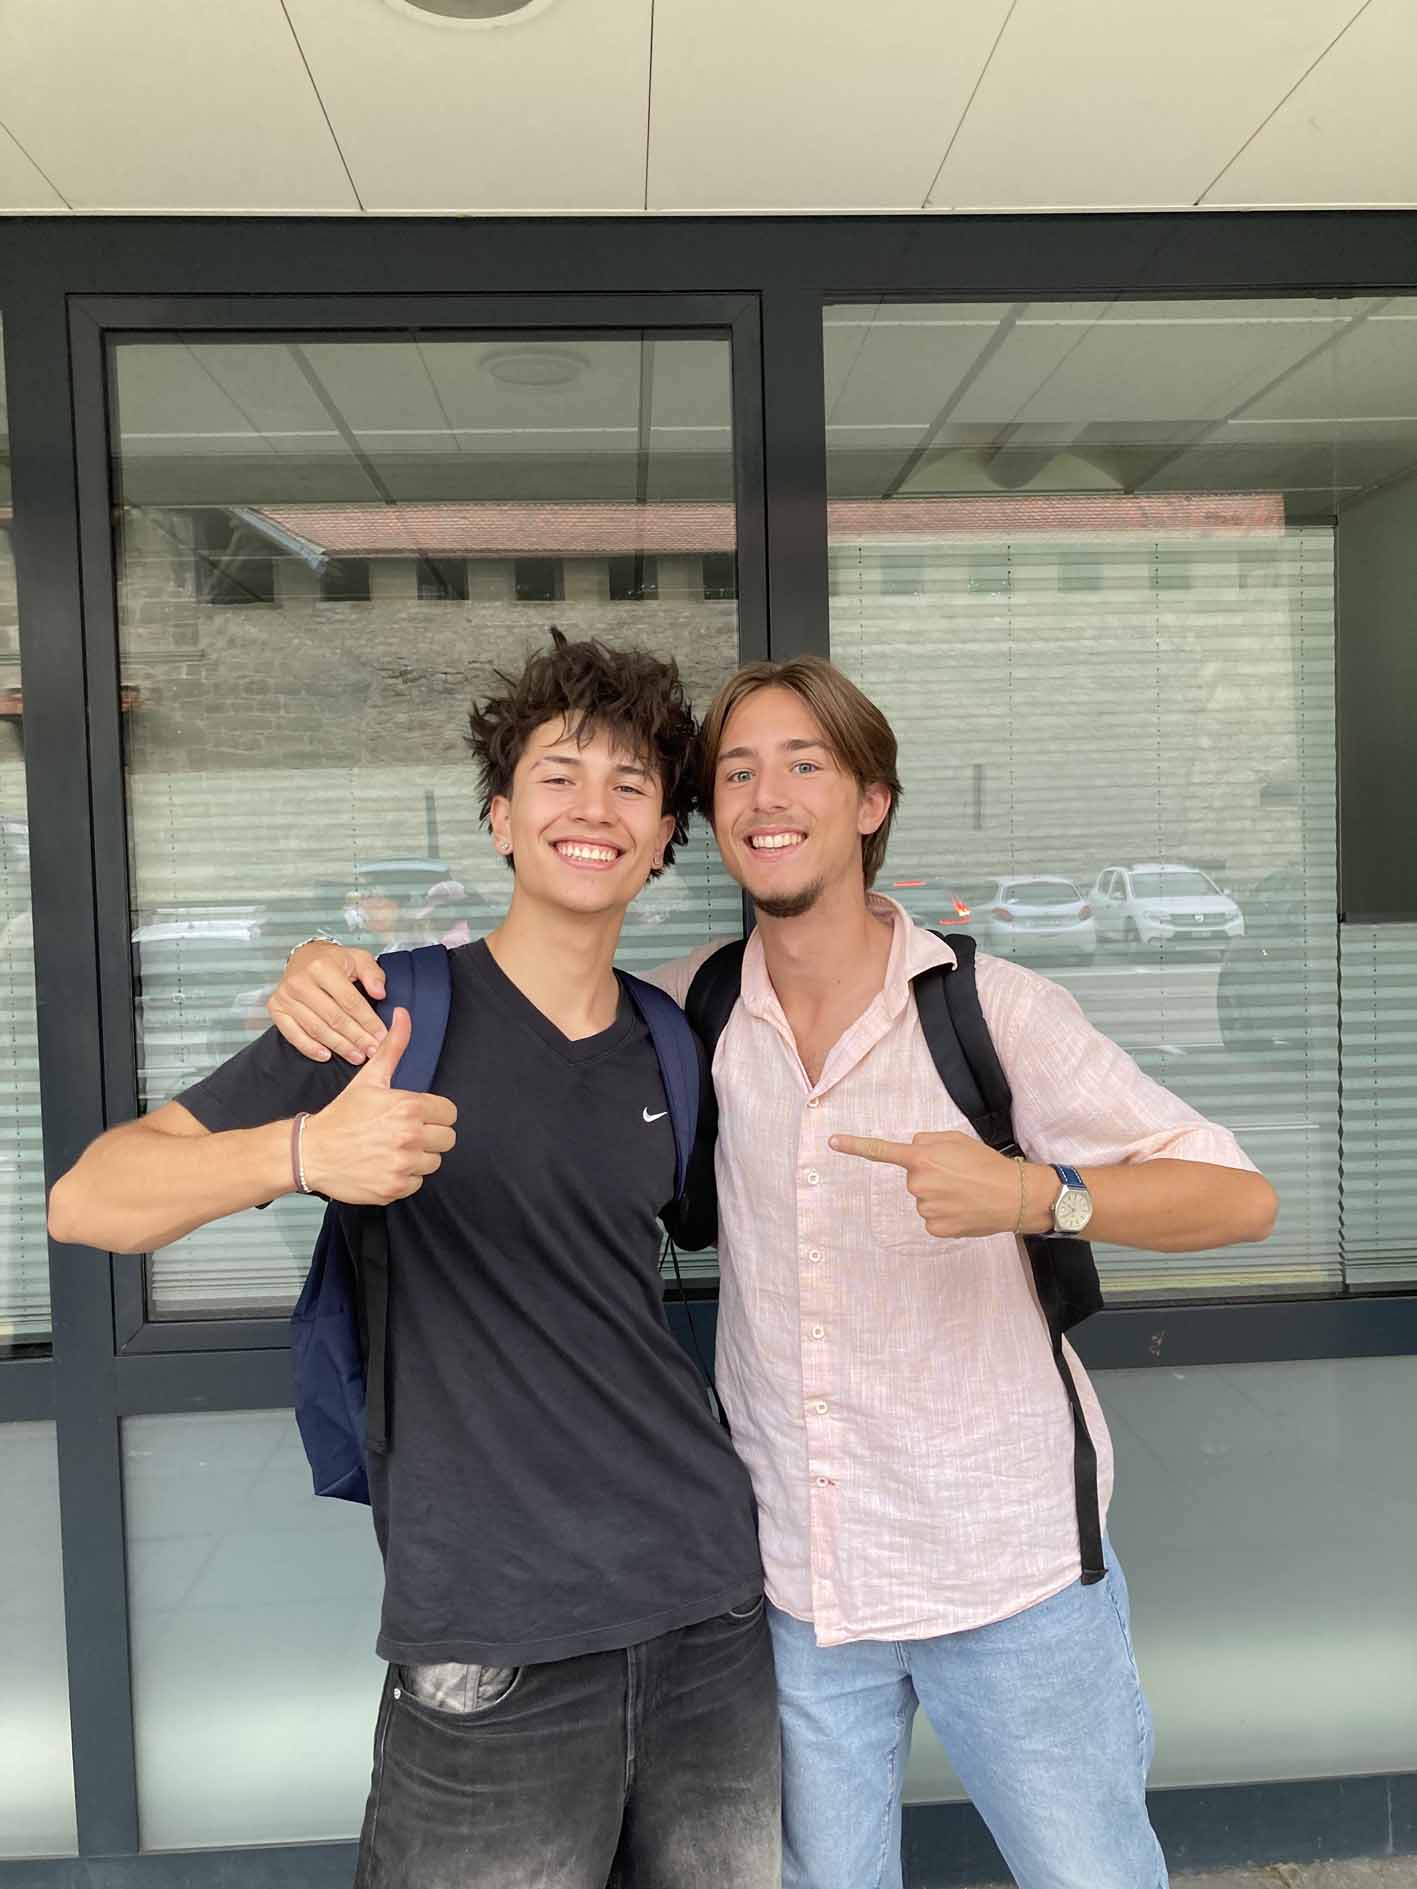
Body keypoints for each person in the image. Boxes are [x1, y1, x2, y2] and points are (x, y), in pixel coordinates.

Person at [270, 654, 1279, 1889]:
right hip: (797, 1593)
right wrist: (328, 965)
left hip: (1008, 1574)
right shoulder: (684, 1012)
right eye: (738, 771)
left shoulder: (991, 1011)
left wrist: (1036, 1194)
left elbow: (1237, 1195)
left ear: (869, 800)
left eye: (806, 762)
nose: (768, 794)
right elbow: (528, 998)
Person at [47, 633, 779, 1889]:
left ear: (665, 836)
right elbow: (89, 1199)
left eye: (630, 784)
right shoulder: (380, 1011)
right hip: (491, 1630)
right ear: (500, 816)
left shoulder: (671, 1041)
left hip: (709, 1604)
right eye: (557, 776)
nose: (592, 808)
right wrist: (302, 1150)